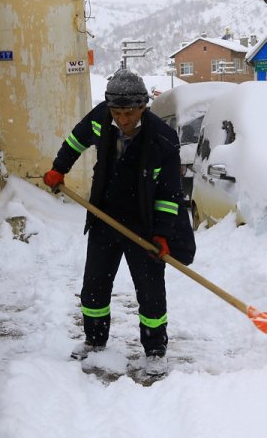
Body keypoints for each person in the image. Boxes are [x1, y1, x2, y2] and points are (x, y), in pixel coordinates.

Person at [43, 69, 195, 377]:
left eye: (128, 112)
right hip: (104, 216)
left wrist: (162, 235)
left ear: (143, 107)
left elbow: (169, 195)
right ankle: (94, 341)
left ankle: (154, 351)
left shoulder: (162, 140)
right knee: (94, 287)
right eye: (117, 112)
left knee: (150, 291)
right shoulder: (101, 118)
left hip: (144, 225)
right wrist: (59, 169)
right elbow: (76, 139)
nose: (122, 119)